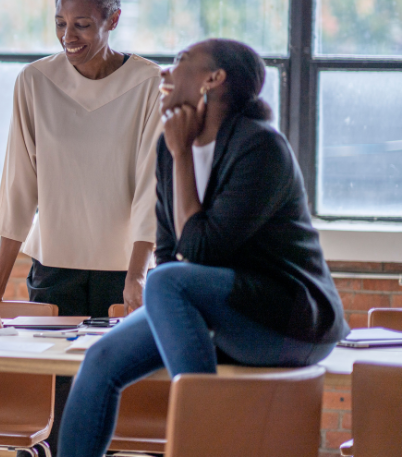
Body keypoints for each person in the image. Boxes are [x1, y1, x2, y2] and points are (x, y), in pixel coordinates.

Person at [56, 39, 350, 457]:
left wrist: (182, 155)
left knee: (166, 282)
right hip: (219, 311)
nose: (165, 71)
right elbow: (170, 246)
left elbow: (198, 252)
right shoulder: (167, 148)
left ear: (213, 79)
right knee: (101, 360)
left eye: (180, 61)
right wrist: (176, 153)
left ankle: (208, 443)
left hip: (289, 322)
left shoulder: (261, 147)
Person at [0, 0, 162, 318]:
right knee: (51, 372)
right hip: (53, 268)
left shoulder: (150, 84)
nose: (68, 35)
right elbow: (20, 187)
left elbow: (151, 191)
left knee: (115, 372)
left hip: (125, 270)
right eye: (60, 23)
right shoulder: (34, 81)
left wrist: (137, 274)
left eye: (82, 24)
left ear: (113, 19)